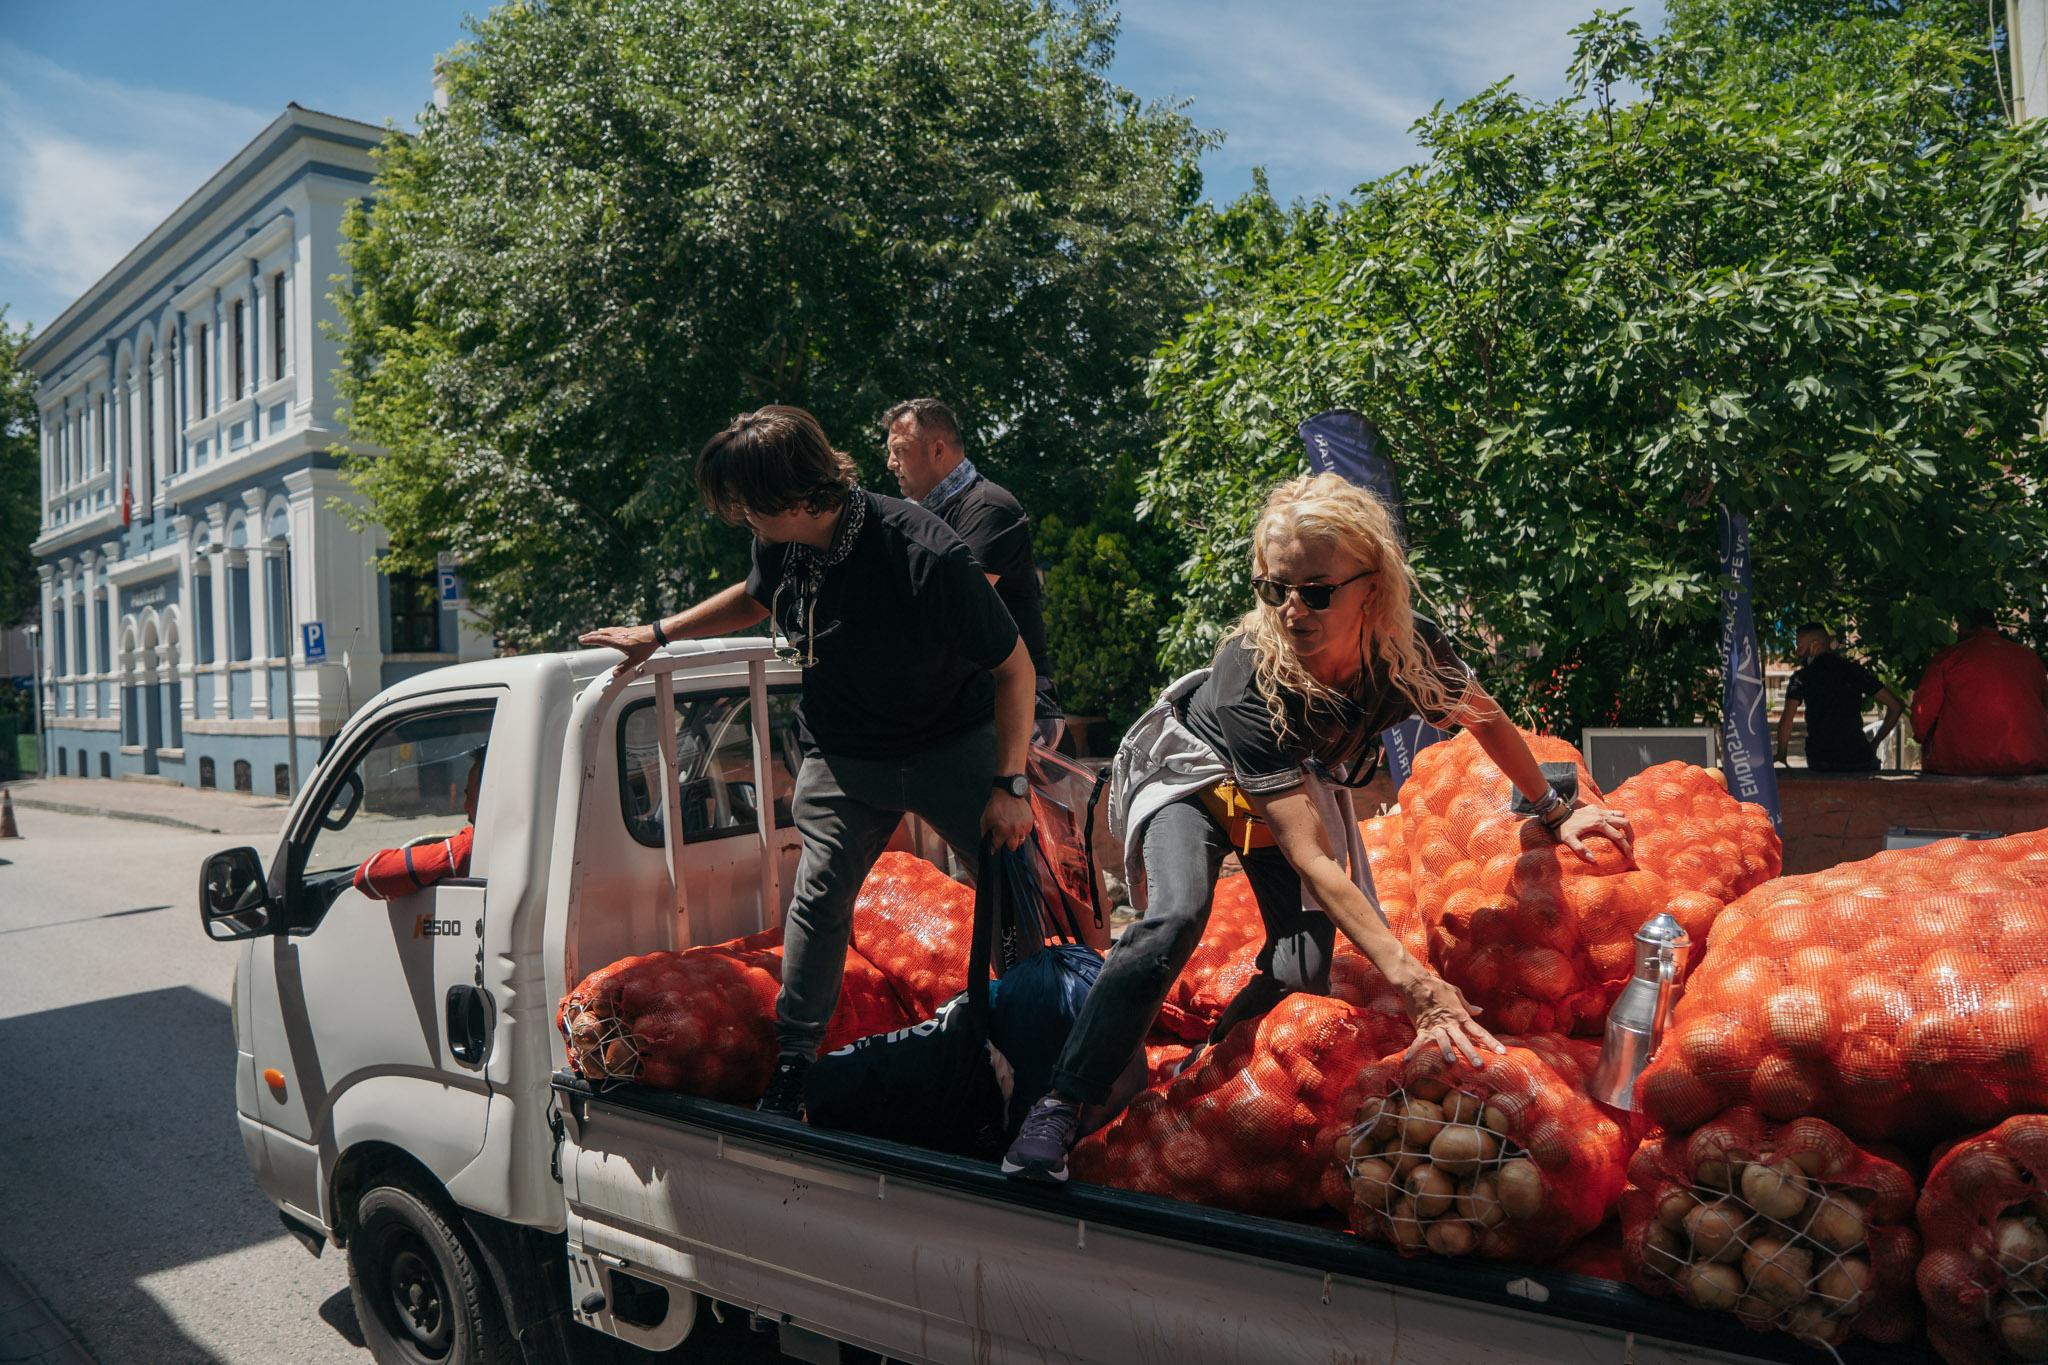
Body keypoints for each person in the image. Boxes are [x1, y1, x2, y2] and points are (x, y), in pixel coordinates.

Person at [1000, 473, 1634, 1183]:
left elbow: (1484, 717)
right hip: (1196, 774)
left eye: (1316, 590)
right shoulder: (1251, 679)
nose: (1291, 609)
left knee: (1300, 968)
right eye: (1273, 588)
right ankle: (1060, 1103)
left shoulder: (1409, 651)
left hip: (1285, 785)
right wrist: (1414, 979)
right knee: (1172, 919)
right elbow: (1313, 858)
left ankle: (1199, 1065)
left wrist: (1555, 807)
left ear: (1374, 585)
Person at [578, 406, 1037, 1118]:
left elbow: (1015, 670)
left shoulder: (923, 551)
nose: (739, 522)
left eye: (744, 508)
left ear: (793, 499)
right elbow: (755, 599)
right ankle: (794, 1062)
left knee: (1009, 891)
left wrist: (1009, 784)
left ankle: (1033, 1039)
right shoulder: (785, 542)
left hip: (950, 743)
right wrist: (657, 633)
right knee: (818, 900)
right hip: (845, 754)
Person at [883, 398, 1065, 749]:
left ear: (938, 451)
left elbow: (958, 609)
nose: (891, 464)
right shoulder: (915, 518)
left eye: (900, 451)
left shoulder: (988, 507)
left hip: (1014, 705)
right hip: (960, 705)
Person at [1911, 608, 2048, 776]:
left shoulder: (1948, 658)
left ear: (1965, 627)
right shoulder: (2031, 659)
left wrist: (1928, 743)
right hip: (2031, 761)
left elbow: (1922, 718)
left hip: (1958, 764)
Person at [353, 750, 485, 900]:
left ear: (487, 800)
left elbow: (369, 875)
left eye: (470, 797)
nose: (465, 806)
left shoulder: (469, 848)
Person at [1774, 623, 1903, 773]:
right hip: (1857, 758)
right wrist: (1875, 743)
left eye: (1800, 646)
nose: (1797, 653)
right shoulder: (1854, 671)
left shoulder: (1802, 677)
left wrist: (1782, 753)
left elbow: (1786, 721)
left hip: (1821, 760)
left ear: (1814, 645)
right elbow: (1896, 706)